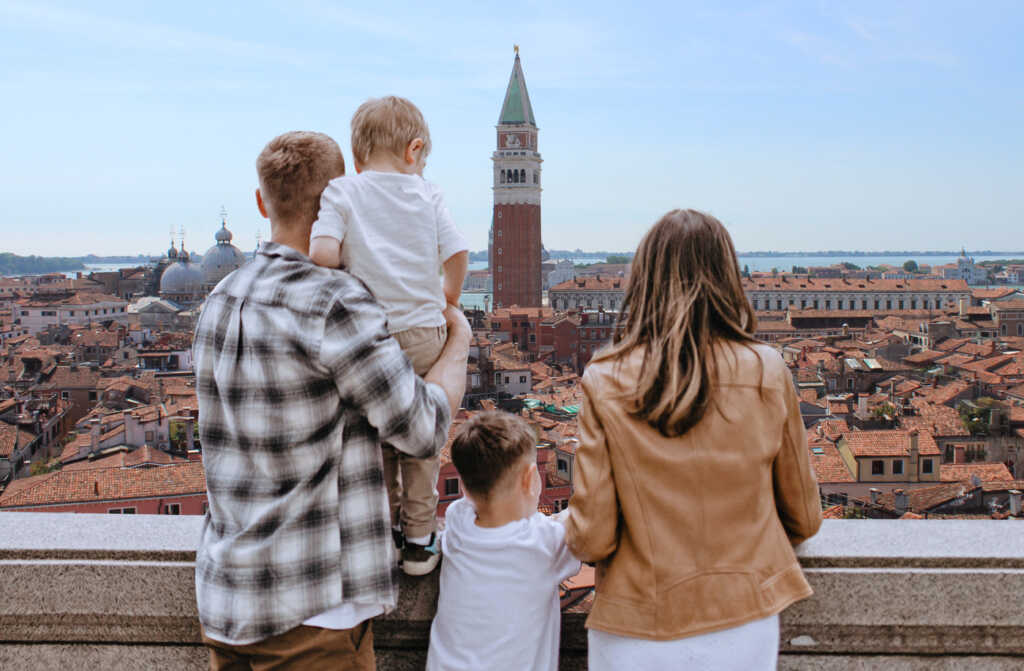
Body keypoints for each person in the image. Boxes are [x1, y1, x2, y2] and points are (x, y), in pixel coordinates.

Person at [194, 130, 470, 670]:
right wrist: (455, 339)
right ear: (339, 198)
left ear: (261, 201)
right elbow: (421, 428)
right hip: (314, 616)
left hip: (226, 604)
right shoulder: (334, 302)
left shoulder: (218, 300)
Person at [565, 209, 822, 670]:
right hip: (744, 619)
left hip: (639, 623)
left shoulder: (605, 378)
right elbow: (803, 516)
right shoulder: (767, 368)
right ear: (727, 276)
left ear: (643, 279)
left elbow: (592, 539)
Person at [309, 96, 469, 575]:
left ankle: (383, 534)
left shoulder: (343, 191)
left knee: (374, 439)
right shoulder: (428, 193)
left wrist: (353, 279)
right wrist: (449, 298)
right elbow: (458, 254)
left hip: (367, 338)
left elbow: (320, 254)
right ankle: (419, 541)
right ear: (414, 150)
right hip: (424, 331)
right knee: (422, 436)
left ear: (357, 157)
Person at [426, 411, 581, 671]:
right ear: (530, 478)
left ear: (464, 485)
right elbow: (585, 519)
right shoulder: (543, 544)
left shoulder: (457, 520)